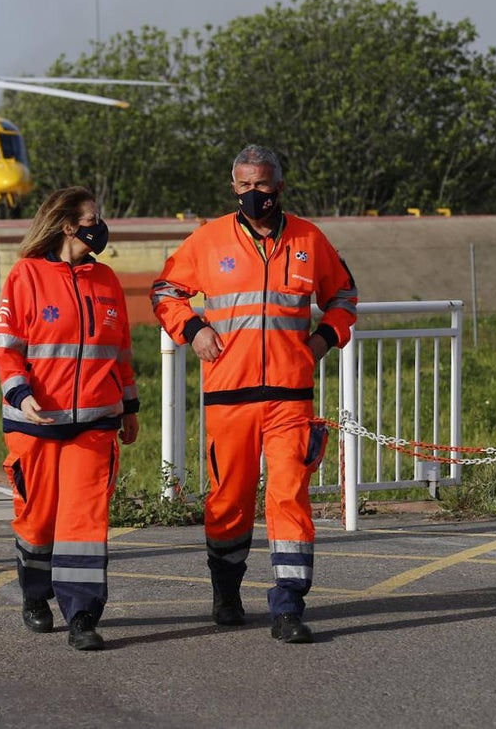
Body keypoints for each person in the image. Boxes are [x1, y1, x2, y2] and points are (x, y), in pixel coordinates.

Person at [150, 144, 358, 644]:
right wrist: (193, 329)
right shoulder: (208, 238)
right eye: (243, 185)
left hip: (290, 395)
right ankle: (226, 594)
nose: (252, 194)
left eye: (261, 185)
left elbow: (344, 297)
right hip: (229, 395)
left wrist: (320, 342)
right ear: (233, 186)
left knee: (289, 498)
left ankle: (288, 606)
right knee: (229, 501)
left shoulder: (310, 239)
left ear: (279, 186)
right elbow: (164, 292)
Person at [0, 186, 140, 651]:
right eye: (92, 217)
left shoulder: (107, 279)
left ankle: (82, 615)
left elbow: (120, 351)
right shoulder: (25, 276)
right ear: (68, 225)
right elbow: (7, 349)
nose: (100, 224)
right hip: (35, 422)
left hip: (95, 424)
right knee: (37, 522)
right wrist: (20, 394)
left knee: (84, 523)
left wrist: (130, 406)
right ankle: (35, 596)